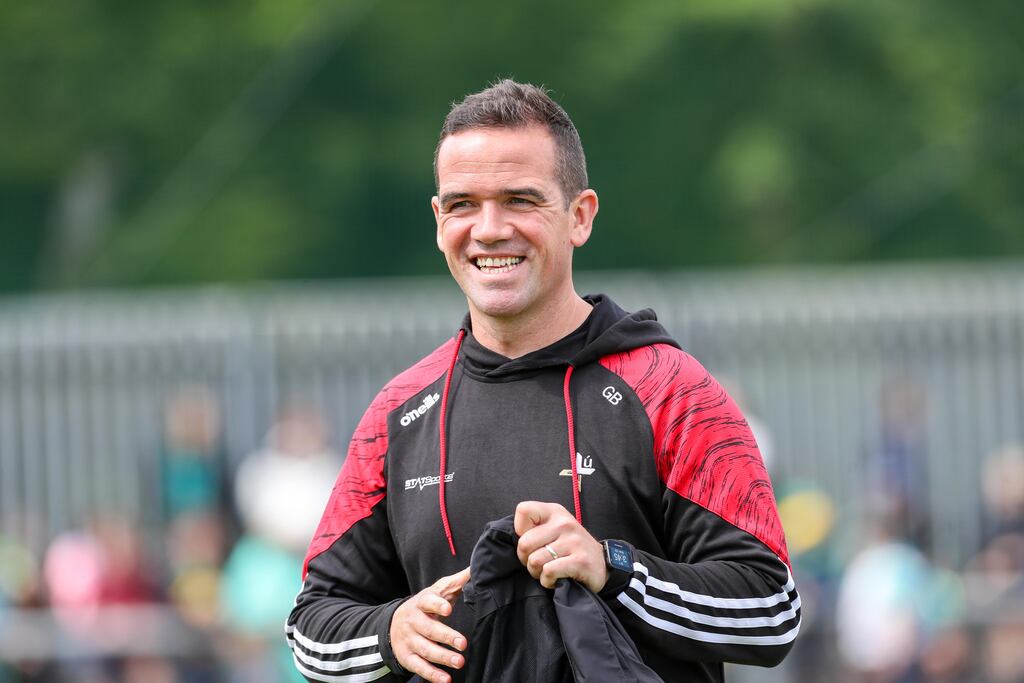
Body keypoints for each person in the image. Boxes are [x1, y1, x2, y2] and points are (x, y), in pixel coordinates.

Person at [285, 80, 800, 683]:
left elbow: (770, 612)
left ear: (579, 217)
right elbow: (309, 628)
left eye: (520, 200)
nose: (489, 229)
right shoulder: (399, 413)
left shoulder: (669, 389)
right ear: (437, 220)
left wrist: (615, 571)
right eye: (462, 204)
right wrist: (390, 633)